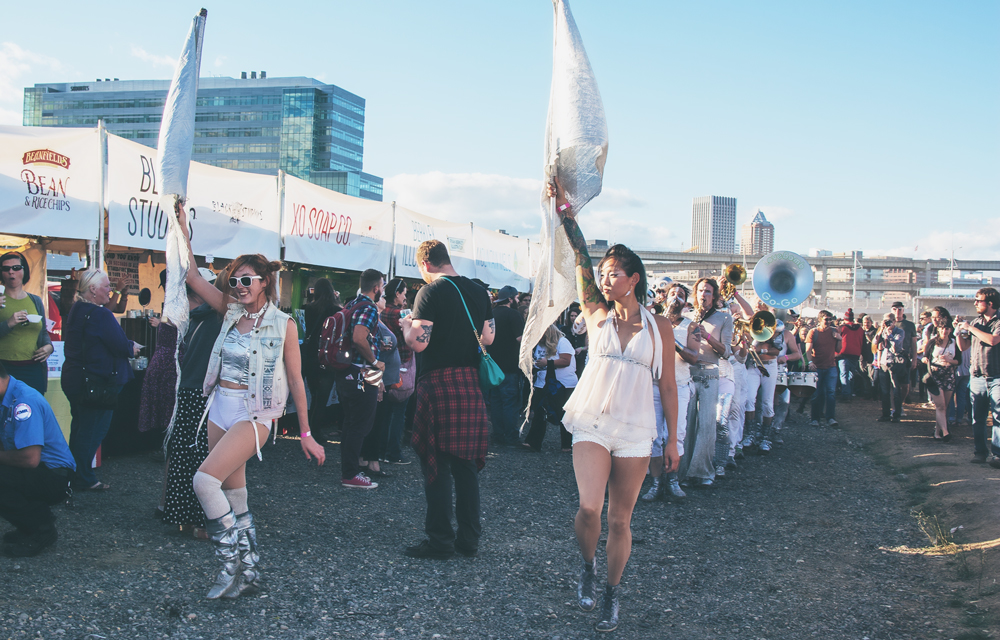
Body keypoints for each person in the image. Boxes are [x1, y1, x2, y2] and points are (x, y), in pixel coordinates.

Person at [545, 181, 678, 632]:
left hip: (637, 430)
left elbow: (670, 387)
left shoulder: (660, 327)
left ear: (634, 278)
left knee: (620, 522)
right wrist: (566, 213)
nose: (605, 279)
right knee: (589, 509)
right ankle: (587, 566)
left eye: (614, 273)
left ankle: (611, 594)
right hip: (593, 422)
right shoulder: (596, 313)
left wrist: (672, 440)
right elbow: (580, 256)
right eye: (603, 274)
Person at [180, 207, 325, 600]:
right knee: (233, 493)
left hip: (255, 414)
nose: (239, 286)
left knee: (204, 481)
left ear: (264, 283)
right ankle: (250, 573)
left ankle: (227, 568)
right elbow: (192, 275)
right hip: (220, 407)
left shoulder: (284, 324)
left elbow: (297, 380)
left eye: (246, 280)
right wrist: (180, 227)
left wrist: (307, 434)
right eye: (234, 280)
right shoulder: (229, 312)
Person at [400, 239, 495, 560]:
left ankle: (440, 539)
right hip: (469, 383)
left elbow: (419, 343)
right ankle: (469, 539)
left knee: (436, 464)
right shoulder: (479, 291)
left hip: (439, 384)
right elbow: (488, 337)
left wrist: (406, 328)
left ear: (426, 264)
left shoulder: (430, 292)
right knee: (465, 466)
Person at [62, 269, 141, 491]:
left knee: (80, 428)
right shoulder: (100, 314)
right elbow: (118, 344)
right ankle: (83, 478)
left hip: (76, 379)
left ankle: (74, 474)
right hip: (96, 383)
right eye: (107, 286)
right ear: (94, 290)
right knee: (92, 431)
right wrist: (131, 347)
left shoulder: (78, 309)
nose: (110, 290)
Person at [159, 269, 223, 538]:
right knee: (205, 460)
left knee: (184, 458)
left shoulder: (198, 317)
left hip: (188, 390)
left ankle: (182, 517)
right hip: (205, 394)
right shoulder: (220, 317)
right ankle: (202, 521)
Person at [0, 363, 75, 557]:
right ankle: (29, 526)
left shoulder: (24, 402)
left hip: (54, 475)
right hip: (39, 471)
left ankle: (42, 529)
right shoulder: (7, 397)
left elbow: (30, 459)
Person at [642, 283, 697, 501]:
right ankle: (656, 484)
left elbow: (693, 357)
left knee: (676, 434)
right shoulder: (651, 322)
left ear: (685, 302)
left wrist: (670, 339)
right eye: (673, 294)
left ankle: (673, 481)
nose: (676, 297)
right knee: (654, 437)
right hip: (654, 385)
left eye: (681, 295)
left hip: (680, 385)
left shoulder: (691, 326)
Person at [334, 270, 386, 489]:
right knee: (361, 423)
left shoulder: (352, 304)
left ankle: (349, 469)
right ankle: (351, 474)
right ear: (376, 287)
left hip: (346, 370)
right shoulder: (368, 307)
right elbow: (359, 338)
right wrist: (375, 361)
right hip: (362, 372)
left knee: (350, 422)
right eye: (382, 285)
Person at [681, 278, 732, 488]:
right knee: (686, 423)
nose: (704, 294)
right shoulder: (686, 317)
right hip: (689, 373)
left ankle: (703, 472)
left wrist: (708, 337)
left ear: (715, 295)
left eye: (708, 291)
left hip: (711, 374)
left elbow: (727, 352)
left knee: (707, 425)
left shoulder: (724, 318)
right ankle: (683, 472)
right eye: (701, 290)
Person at [956, 288, 1000, 466]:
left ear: (990, 303)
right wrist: (959, 332)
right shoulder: (976, 321)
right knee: (977, 418)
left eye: (978, 300)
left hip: (997, 376)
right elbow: (964, 347)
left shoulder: (997, 322)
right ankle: (980, 452)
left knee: (998, 416)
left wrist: (969, 327)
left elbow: (993, 340)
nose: (974, 303)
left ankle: (997, 455)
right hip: (977, 376)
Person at [0, 251, 54, 394]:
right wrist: (9, 323)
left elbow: (42, 332)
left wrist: (49, 347)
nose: (11, 272)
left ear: (24, 271)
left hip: (32, 368)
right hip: (3, 369)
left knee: (31, 411)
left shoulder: (35, 300)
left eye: (16, 268)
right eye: (6, 269)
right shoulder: (0, 299)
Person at [521, 324, 577, 452]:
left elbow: (566, 361)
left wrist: (547, 363)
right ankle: (533, 442)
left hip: (563, 383)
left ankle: (567, 445)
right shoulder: (541, 344)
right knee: (540, 411)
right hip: (543, 382)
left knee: (564, 414)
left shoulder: (563, 342)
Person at [378, 277, 414, 464]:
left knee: (384, 413)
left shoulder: (382, 312)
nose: (405, 298)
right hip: (403, 365)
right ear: (398, 294)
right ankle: (394, 453)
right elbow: (412, 338)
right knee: (399, 411)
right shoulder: (401, 315)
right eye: (404, 294)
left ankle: (380, 451)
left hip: (384, 365)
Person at [138, 271, 179, 436]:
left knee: (164, 402)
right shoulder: (175, 301)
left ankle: (163, 441)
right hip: (168, 358)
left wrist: (161, 321)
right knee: (166, 402)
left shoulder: (176, 302)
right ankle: (164, 441)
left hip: (166, 357)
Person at [302, 278, 342, 442]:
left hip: (310, 356)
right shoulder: (334, 309)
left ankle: (309, 429)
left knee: (313, 394)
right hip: (327, 355)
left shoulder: (308, 308)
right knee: (322, 397)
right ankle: (316, 430)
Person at [485, 285, 524, 448]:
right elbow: (521, 339)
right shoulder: (514, 314)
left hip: (493, 367)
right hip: (510, 366)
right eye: (516, 298)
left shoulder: (491, 314)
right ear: (510, 299)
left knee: (496, 402)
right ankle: (510, 436)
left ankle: (498, 434)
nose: (517, 300)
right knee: (509, 402)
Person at [922, 307, 958, 442]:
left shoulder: (954, 343)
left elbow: (958, 360)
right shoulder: (932, 342)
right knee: (940, 405)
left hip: (949, 374)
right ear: (938, 330)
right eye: (942, 328)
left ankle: (937, 431)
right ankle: (945, 431)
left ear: (950, 330)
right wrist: (928, 361)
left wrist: (950, 360)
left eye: (947, 328)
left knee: (945, 406)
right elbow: (925, 356)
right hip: (935, 374)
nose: (944, 330)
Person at [806, 311, 842, 427]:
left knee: (831, 393)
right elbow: (808, 349)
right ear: (820, 320)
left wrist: (839, 339)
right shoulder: (813, 332)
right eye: (826, 319)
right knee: (817, 393)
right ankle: (815, 418)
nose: (828, 322)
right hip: (817, 366)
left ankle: (830, 417)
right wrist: (810, 362)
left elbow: (838, 350)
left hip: (831, 366)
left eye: (829, 319)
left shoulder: (834, 332)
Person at [874, 312, 909, 423]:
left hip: (895, 363)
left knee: (896, 389)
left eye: (889, 321)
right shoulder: (882, 330)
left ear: (894, 321)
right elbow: (875, 342)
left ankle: (896, 414)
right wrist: (881, 330)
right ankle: (885, 414)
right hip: (884, 362)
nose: (887, 323)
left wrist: (888, 333)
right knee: (884, 391)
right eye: (885, 320)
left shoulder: (900, 331)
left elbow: (896, 344)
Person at [890, 301, 919, 405]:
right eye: (895, 309)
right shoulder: (888, 323)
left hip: (904, 357)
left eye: (900, 309)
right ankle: (894, 406)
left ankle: (899, 405)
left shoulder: (909, 325)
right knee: (893, 384)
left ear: (903, 310)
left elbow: (914, 343)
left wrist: (915, 359)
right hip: (890, 357)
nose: (897, 311)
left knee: (905, 385)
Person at [837, 309, 864, 401]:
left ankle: (845, 394)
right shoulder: (860, 329)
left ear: (845, 318)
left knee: (844, 374)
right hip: (855, 353)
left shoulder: (842, 328)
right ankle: (850, 392)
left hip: (843, 353)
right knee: (851, 375)